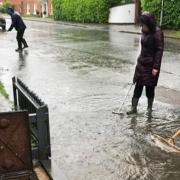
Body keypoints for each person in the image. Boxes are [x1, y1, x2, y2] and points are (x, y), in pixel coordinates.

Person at [127, 11, 164, 116]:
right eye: (142, 24)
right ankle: (133, 108)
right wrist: (138, 60)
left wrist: (156, 67)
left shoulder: (157, 32)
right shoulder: (144, 30)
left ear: (150, 23)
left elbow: (159, 50)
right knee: (138, 86)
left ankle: (149, 109)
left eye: (145, 24)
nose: (143, 26)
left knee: (149, 87)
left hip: (151, 65)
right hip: (142, 63)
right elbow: (142, 47)